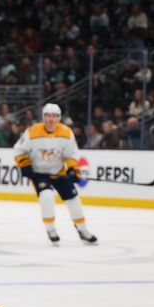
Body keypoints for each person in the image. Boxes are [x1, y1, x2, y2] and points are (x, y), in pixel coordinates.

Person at [13, 103, 98, 245]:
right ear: (43, 117)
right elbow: (19, 150)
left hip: (58, 172)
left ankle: (82, 229)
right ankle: (50, 229)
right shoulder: (32, 132)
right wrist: (24, 164)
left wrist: (71, 169)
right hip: (39, 174)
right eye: (47, 116)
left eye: (54, 116)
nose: (50, 119)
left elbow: (71, 154)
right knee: (46, 196)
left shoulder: (66, 133)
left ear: (59, 118)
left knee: (73, 198)